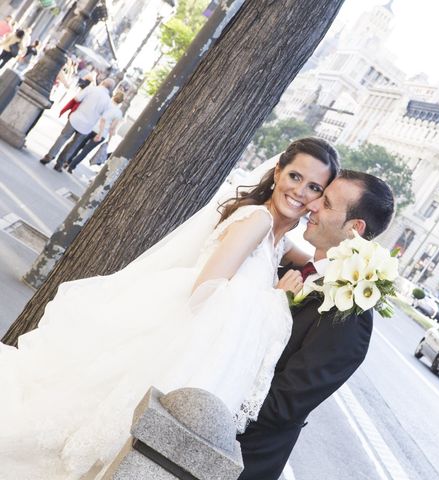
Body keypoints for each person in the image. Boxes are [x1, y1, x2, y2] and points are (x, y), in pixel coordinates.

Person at [0, 138, 340, 479]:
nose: (300, 192)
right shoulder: (258, 222)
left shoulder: (277, 237)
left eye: (314, 187)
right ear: (278, 171)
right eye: (294, 177)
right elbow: (205, 290)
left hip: (197, 346)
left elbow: (312, 257)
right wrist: (275, 297)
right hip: (178, 341)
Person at [237, 169, 395, 480]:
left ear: (355, 228)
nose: (312, 206)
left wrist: (215, 398)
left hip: (240, 458)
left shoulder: (350, 315)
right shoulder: (290, 266)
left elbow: (283, 406)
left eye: (327, 204)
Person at [39, 78, 114, 171]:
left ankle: (49, 156)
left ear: (103, 82)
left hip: (76, 118)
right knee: (73, 145)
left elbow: (77, 98)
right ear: (110, 89)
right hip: (87, 126)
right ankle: (60, 164)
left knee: (63, 137)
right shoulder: (108, 101)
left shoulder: (91, 89)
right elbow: (104, 118)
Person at [64, 90, 124, 173]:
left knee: (79, 146)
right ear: (121, 102)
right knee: (86, 151)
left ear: (114, 96)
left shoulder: (106, 104)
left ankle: (67, 161)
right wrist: (108, 140)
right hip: (102, 134)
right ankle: (72, 166)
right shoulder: (118, 113)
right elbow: (112, 128)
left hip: (91, 127)